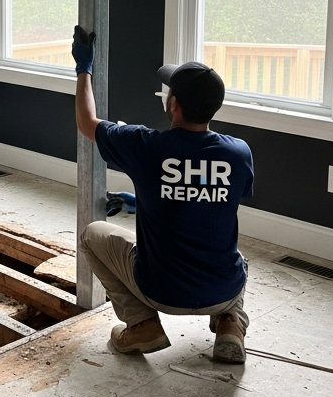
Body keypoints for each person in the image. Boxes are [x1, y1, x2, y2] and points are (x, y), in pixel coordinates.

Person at [70, 25, 253, 363]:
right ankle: (231, 323)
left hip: (161, 292)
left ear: (174, 105)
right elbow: (210, 203)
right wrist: (144, 201)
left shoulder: (145, 146)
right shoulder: (239, 153)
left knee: (92, 234)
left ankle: (141, 324)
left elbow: (87, 122)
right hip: (221, 291)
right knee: (238, 258)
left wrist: (84, 68)